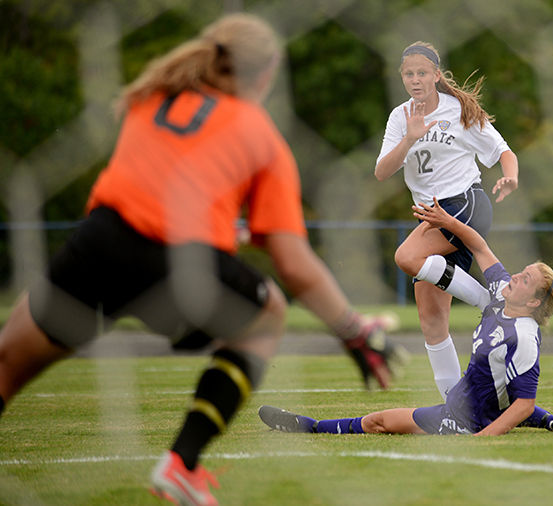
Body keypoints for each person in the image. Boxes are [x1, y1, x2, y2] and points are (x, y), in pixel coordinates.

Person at [0, 13, 407, 506]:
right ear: (267, 72)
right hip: (180, 269)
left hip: (101, 243)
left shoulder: (150, 97)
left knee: (9, 364)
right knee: (266, 314)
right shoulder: (260, 134)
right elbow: (293, 263)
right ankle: (182, 463)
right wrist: (352, 330)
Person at [259, 197, 553, 437]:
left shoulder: (522, 337)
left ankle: (309, 427)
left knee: (376, 422)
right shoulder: (500, 291)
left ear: (533, 301)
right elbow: (478, 245)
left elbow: (523, 403)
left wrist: (482, 438)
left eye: (525, 279)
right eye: (522, 271)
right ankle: (552, 421)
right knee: (494, 394)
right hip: (462, 404)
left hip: (464, 421)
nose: (516, 275)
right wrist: (448, 221)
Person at [375, 41, 519, 401]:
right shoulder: (400, 117)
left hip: (465, 204)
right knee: (432, 320)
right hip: (432, 217)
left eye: (422, 72)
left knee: (406, 257)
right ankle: (457, 406)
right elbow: (381, 172)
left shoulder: (459, 111)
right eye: (409, 73)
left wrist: (510, 176)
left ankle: (491, 301)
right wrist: (409, 138)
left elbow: (503, 151)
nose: (415, 79)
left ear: (437, 75)